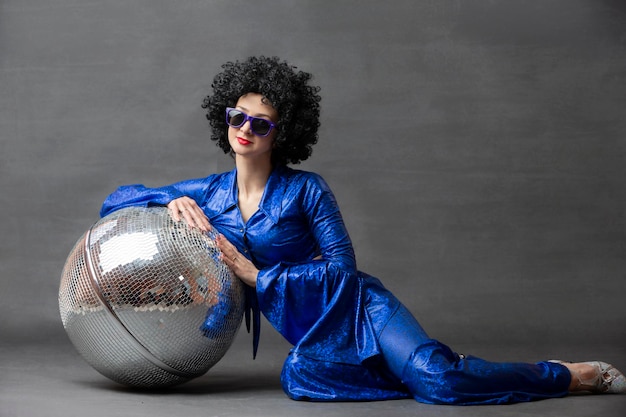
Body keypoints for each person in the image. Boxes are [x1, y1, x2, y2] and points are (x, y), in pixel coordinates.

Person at [100, 56, 625, 405]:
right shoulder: (209, 193)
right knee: (298, 377)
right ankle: (411, 374)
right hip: (313, 340)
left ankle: (566, 374)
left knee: (439, 383)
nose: (245, 129)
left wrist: (259, 278)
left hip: (359, 309)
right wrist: (175, 202)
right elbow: (115, 201)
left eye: (261, 123)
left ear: (283, 134)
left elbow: (342, 270)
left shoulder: (307, 191)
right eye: (237, 117)